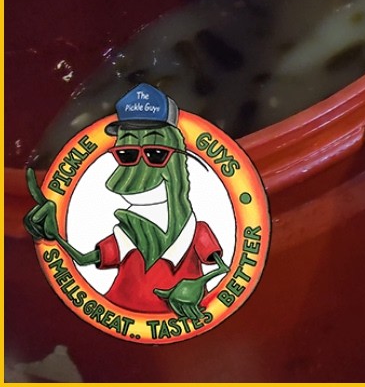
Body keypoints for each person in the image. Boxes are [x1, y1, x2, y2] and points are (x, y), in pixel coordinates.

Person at [24, 84, 227, 318]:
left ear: (176, 165)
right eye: (126, 154)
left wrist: (195, 286)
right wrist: (54, 233)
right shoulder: (126, 234)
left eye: (155, 154)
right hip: (116, 315)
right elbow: (81, 259)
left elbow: (224, 268)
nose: (124, 181)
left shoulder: (195, 231)